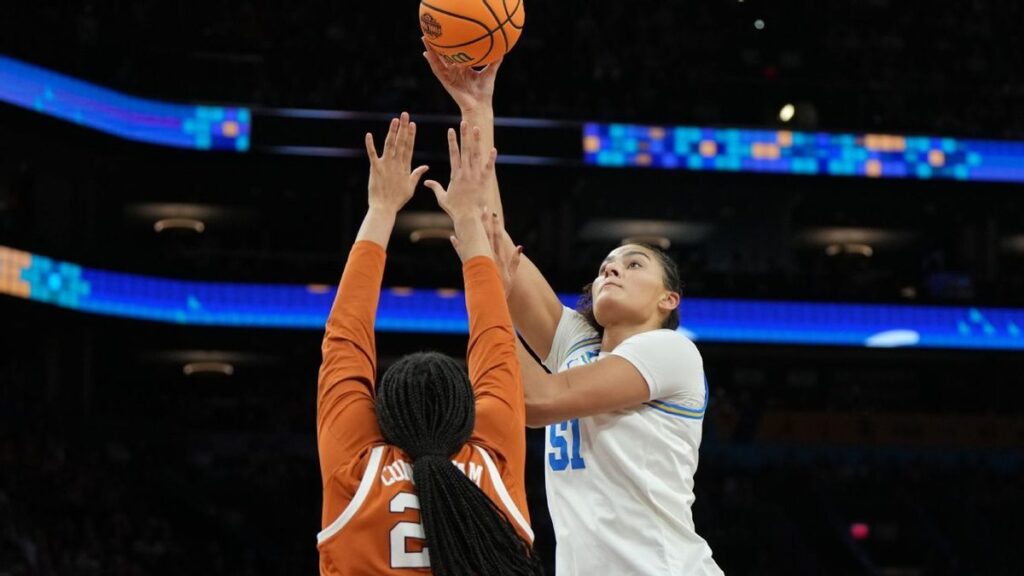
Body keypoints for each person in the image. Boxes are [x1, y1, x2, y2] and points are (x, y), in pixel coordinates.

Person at [424, 49, 724, 575]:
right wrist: (477, 107)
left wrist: (481, 283)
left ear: (667, 300)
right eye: (607, 264)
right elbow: (495, 240)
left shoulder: (671, 352)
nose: (612, 270)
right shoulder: (578, 344)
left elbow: (536, 401)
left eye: (633, 265)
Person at [316, 112, 543, 575]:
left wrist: (381, 209)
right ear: (468, 413)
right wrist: (467, 222)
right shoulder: (490, 462)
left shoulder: (358, 470)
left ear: (381, 415)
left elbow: (345, 339)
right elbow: (498, 347)